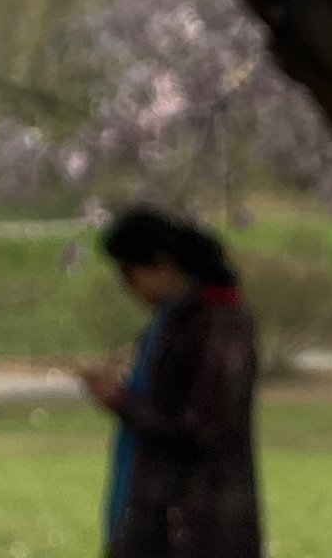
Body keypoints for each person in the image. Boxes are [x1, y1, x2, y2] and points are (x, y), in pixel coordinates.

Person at [80, 207, 261, 558]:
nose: (126, 287)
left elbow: (200, 429)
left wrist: (118, 400)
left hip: (199, 522)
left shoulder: (219, 326)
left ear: (161, 263)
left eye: (130, 273)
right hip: (156, 516)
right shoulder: (171, 322)